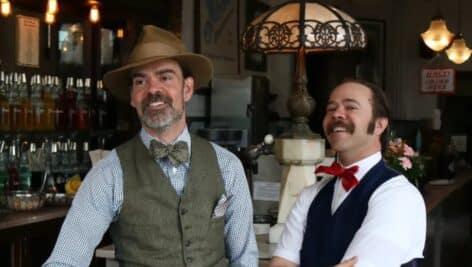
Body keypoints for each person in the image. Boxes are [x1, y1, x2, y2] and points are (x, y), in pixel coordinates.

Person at [44, 25, 258, 267]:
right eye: (140, 81)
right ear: (133, 96)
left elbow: (245, 260)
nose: (153, 89)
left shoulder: (228, 166)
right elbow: (64, 261)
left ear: (187, 89)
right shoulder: (109, 174)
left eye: (165, 77)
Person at [270, 80, 426, 267]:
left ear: (379, 125)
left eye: (351, 107)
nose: (336, 113)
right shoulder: (310, 195)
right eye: (331, 108)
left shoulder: (398, 196)